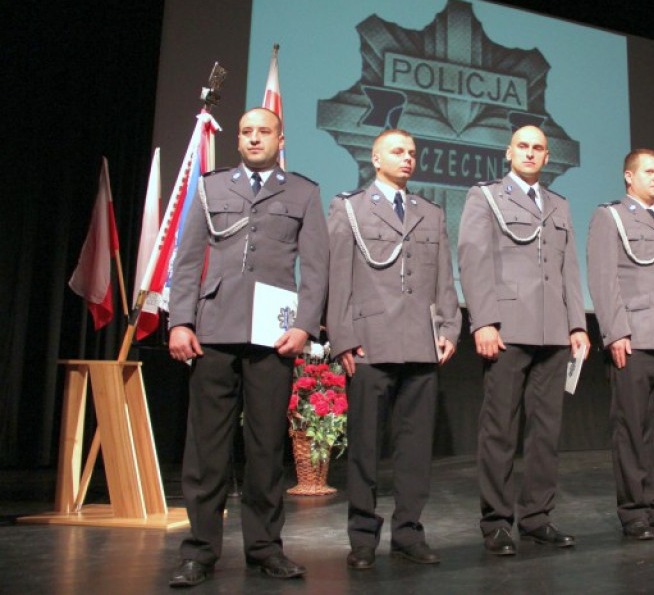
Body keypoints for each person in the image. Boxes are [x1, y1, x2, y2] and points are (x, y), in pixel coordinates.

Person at [167, 107, 328, 587]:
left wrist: (305, 326)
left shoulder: (303, 191)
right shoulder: (212, 186)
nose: (254, 138)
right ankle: (199, 552)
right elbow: (189, 255)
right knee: (207, 450)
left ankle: (264, 548)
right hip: (214, 331)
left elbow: (317, 268)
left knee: (264, 448)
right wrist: (180, 322)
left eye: (264, 131)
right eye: (246, 132)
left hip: (272, 338)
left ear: (281, 137)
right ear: (237, 139)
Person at [325, 129, 462, 569]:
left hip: (420, 343)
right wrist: (343, 336)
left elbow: (444, 278)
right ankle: (362, 537)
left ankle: (408, 533)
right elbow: (337, 277)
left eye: (412, 153)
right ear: (375, 157)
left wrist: (450, 327)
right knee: (366, 448)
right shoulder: (349, 207)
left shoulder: (430, 212)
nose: (408, 159)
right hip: (370, 343)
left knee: (416, 448)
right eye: (398, 152)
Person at [458, 125, 589, 556]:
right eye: (523, 147)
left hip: (553, 331)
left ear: (548, 157)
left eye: (538, 149)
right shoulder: (487, 196)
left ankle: (537, 517)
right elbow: (474, 260)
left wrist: (577, 325)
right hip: (507, 329)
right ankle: (496, 522)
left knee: (545, 432)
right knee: (499, 430)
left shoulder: (559, 205)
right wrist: (484, 322)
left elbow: (569, 267)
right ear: (508, 152)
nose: (530, 154)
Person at [586, 149, 654, 541]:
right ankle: (633, 512)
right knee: (631, 429)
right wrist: (615, 331)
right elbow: (603, 278)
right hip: (633, 337)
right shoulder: (611, 215)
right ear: (628, 177)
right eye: (649, 171)